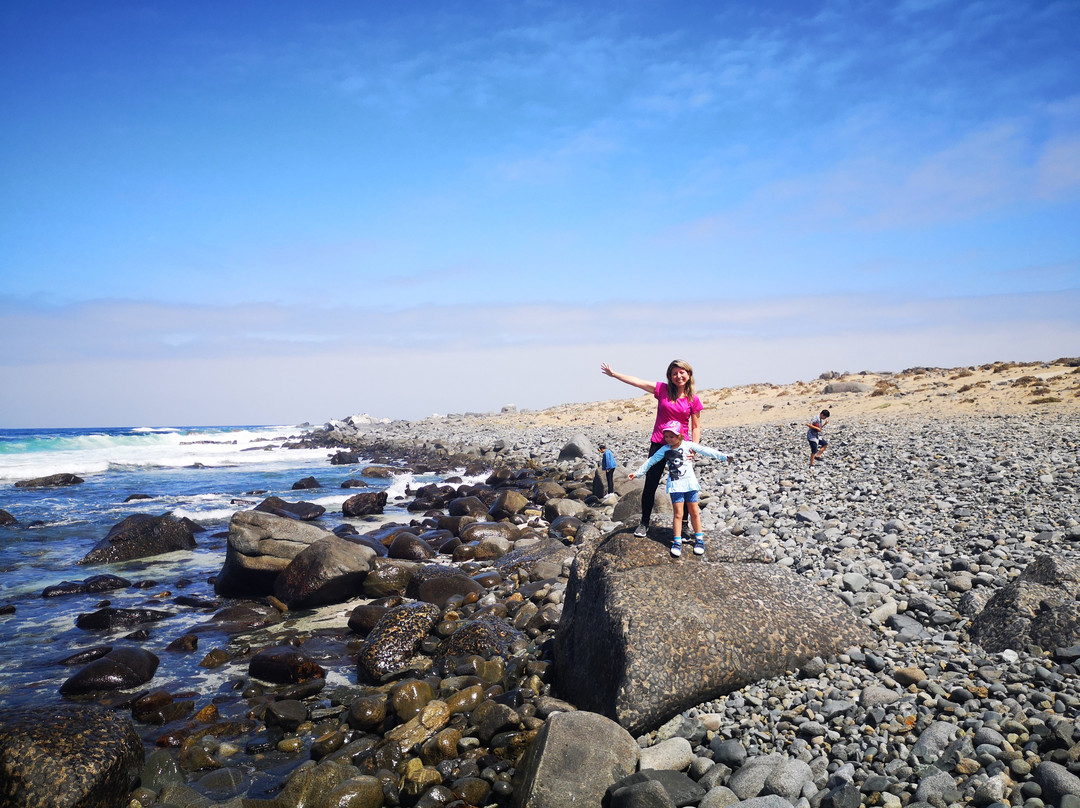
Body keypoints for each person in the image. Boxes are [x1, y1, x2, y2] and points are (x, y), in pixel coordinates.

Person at [601, 359, 703, 537]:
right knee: (650, 485)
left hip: (681, 448)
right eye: (674, 373)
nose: (678, 376)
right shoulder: (662, 390)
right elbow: (638, 382)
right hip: (658, 443)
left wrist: (694, 446)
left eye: (681, 372)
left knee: (682, 487)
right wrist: (614, 374)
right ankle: (644, 523)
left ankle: (684, 526)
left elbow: (696, 426)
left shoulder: (693, 399)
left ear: (689, 374)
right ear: (670, 377)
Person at [628, 420, 733, 557]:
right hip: (676, 485)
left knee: (694, 512)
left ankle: (699, 540)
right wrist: (637, 473)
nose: (669, 439)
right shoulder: (665, 450)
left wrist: (725, 457)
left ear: (680, 435)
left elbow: (706, 451)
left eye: (672, 436)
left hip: (690, 484)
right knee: (678, 514)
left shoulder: (689, 445)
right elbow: (651, 461)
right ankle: (677, 541)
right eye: (666, 436)